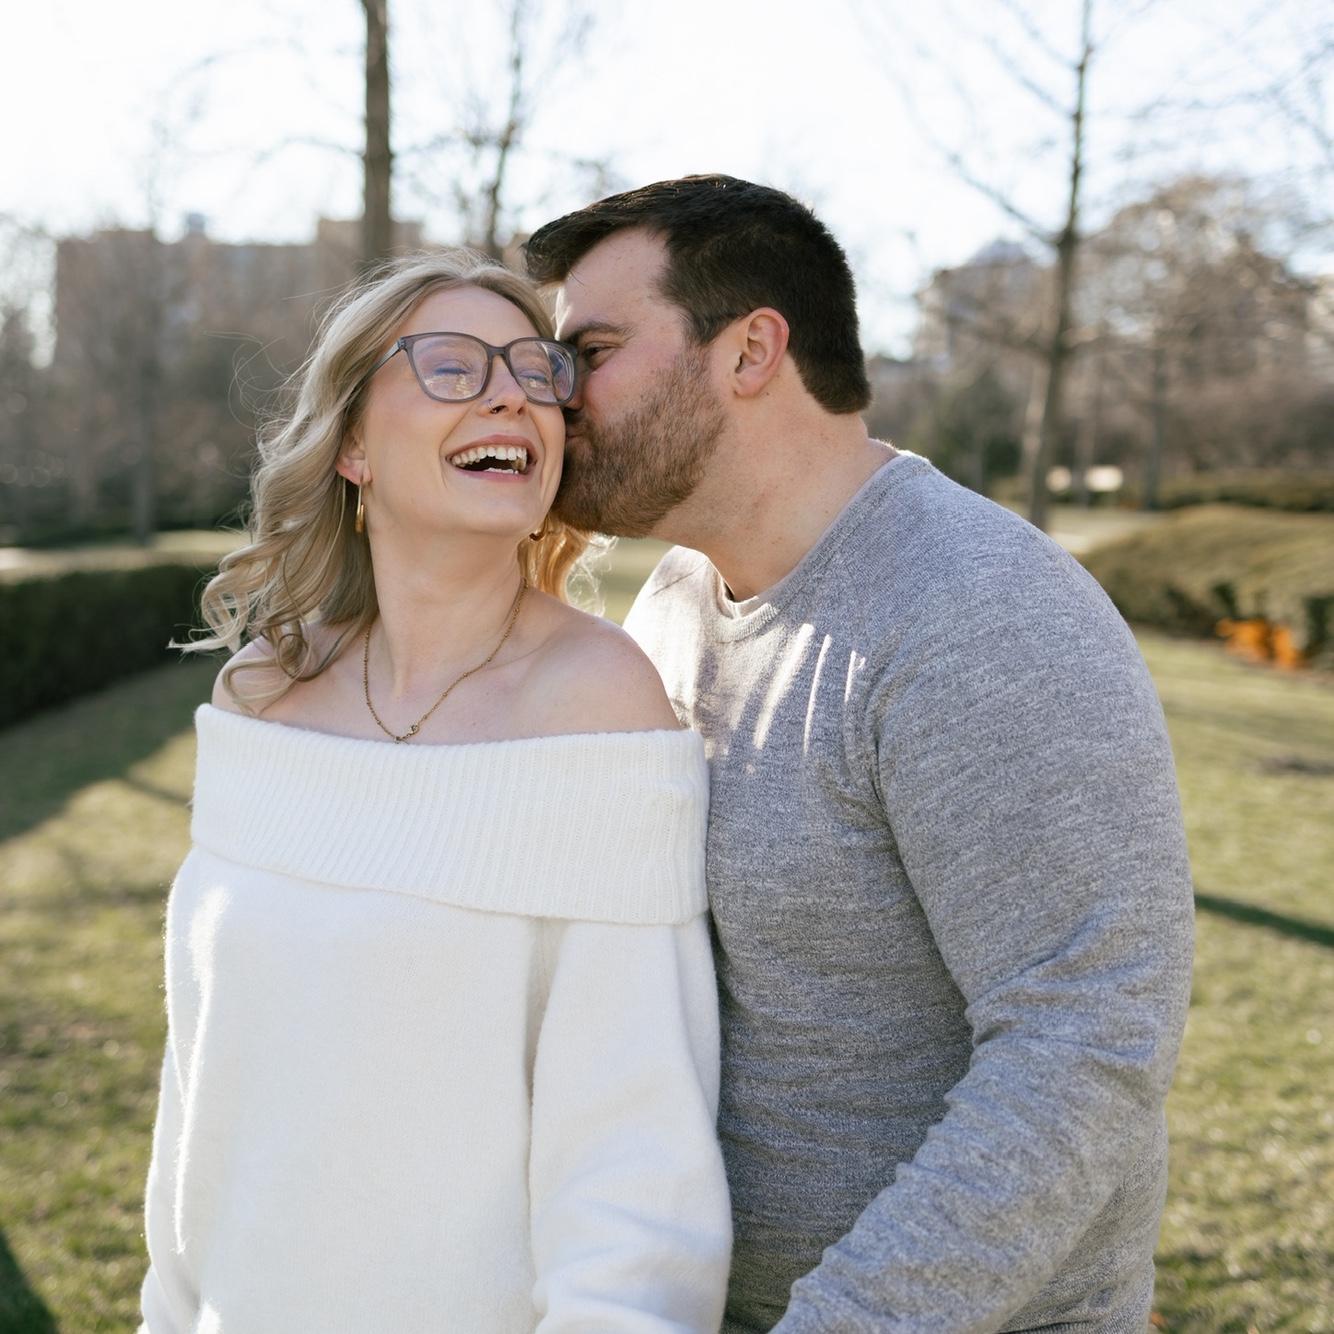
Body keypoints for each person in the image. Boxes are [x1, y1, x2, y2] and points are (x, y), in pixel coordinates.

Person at [525, 176, 1195, 1333]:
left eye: (591, 351)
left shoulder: (976, 612)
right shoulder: (674, 602)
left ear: (749, 351)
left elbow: (1087, 1039)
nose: (556, 393)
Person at [138, 250, 732, 1333]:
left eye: (534, 370)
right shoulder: (261, 694)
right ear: (352, 445)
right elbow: (201, 1084)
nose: (511, 394)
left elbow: (635, 1166)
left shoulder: (599, 701)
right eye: (452, 366)